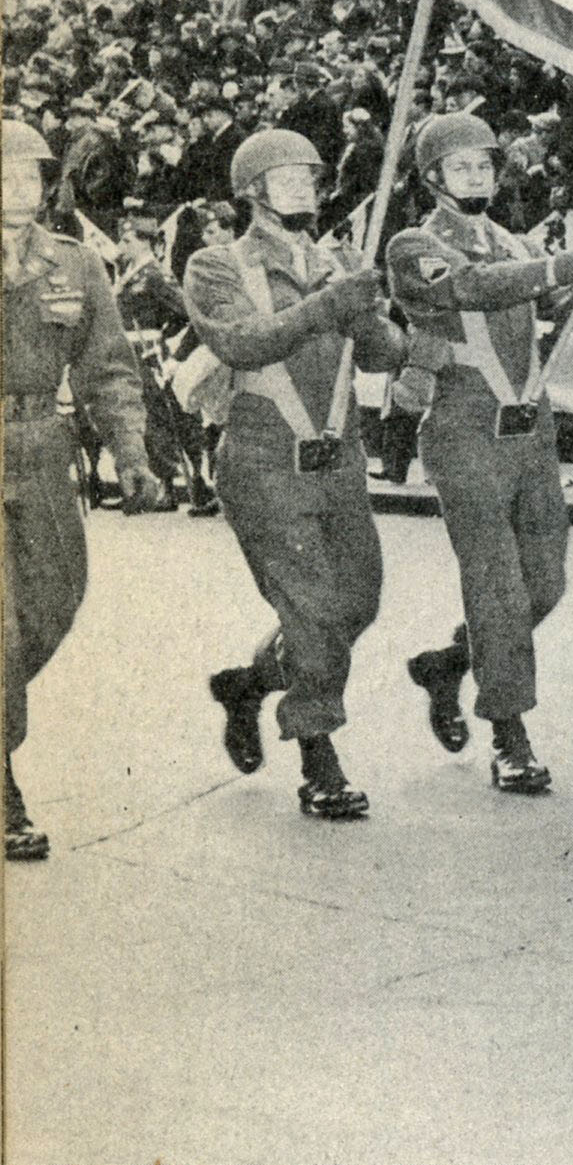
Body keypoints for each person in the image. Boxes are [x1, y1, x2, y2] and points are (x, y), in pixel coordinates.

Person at [385, 111, 573, 796]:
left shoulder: (510, 238)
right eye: (461, 166)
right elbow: (471, 287)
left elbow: (547, 295)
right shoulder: (415, 242)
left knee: (544, 582)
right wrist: (556, 265)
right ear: (433, 177)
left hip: (529, 428)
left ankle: (451, 662)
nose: (477, 175)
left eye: (486, 164)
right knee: (495, 583)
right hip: (465, 427)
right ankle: (510, 733)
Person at [182, 128, 408, 822]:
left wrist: (367, 310)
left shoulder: (342, 258)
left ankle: (252, 682)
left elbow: (386, 353)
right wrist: (329, 304)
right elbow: (242, 340)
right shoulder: (216, 265)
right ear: (253, 194)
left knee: (355, 602)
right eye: (287, 179)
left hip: (336, 456)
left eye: (310, 177)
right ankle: (319, 753)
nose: (304, 187)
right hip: (263, 458)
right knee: (310, 608)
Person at [4, 119, 163, 861]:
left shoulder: (72, 263)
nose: (18, 189)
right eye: (3, 175)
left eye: (30, 175)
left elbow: (107, 364)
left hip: (42, 450)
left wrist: (131, 451)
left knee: (56, 597)